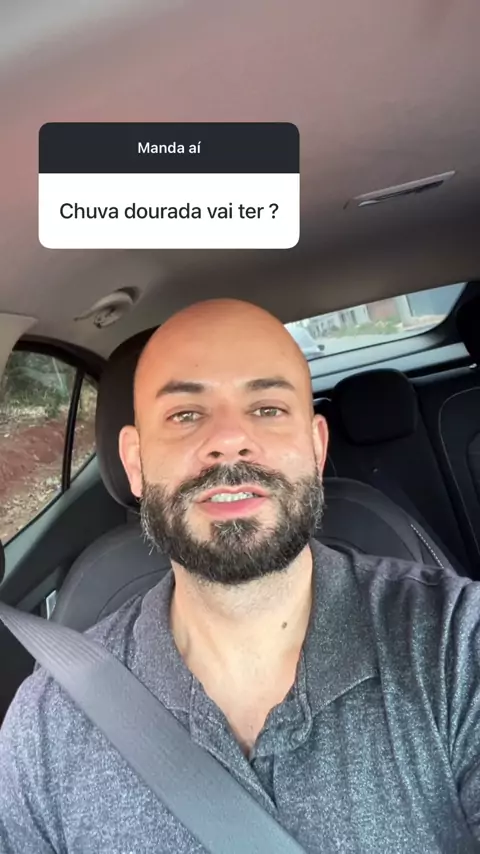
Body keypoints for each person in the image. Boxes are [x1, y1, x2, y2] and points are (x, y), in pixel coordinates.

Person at [1, 298, 480, 854]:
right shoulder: (48, 723)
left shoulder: (456, 643)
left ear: (317, 448)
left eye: (268, 408)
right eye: (185, 415)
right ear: (135, 462)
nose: (229, 439)